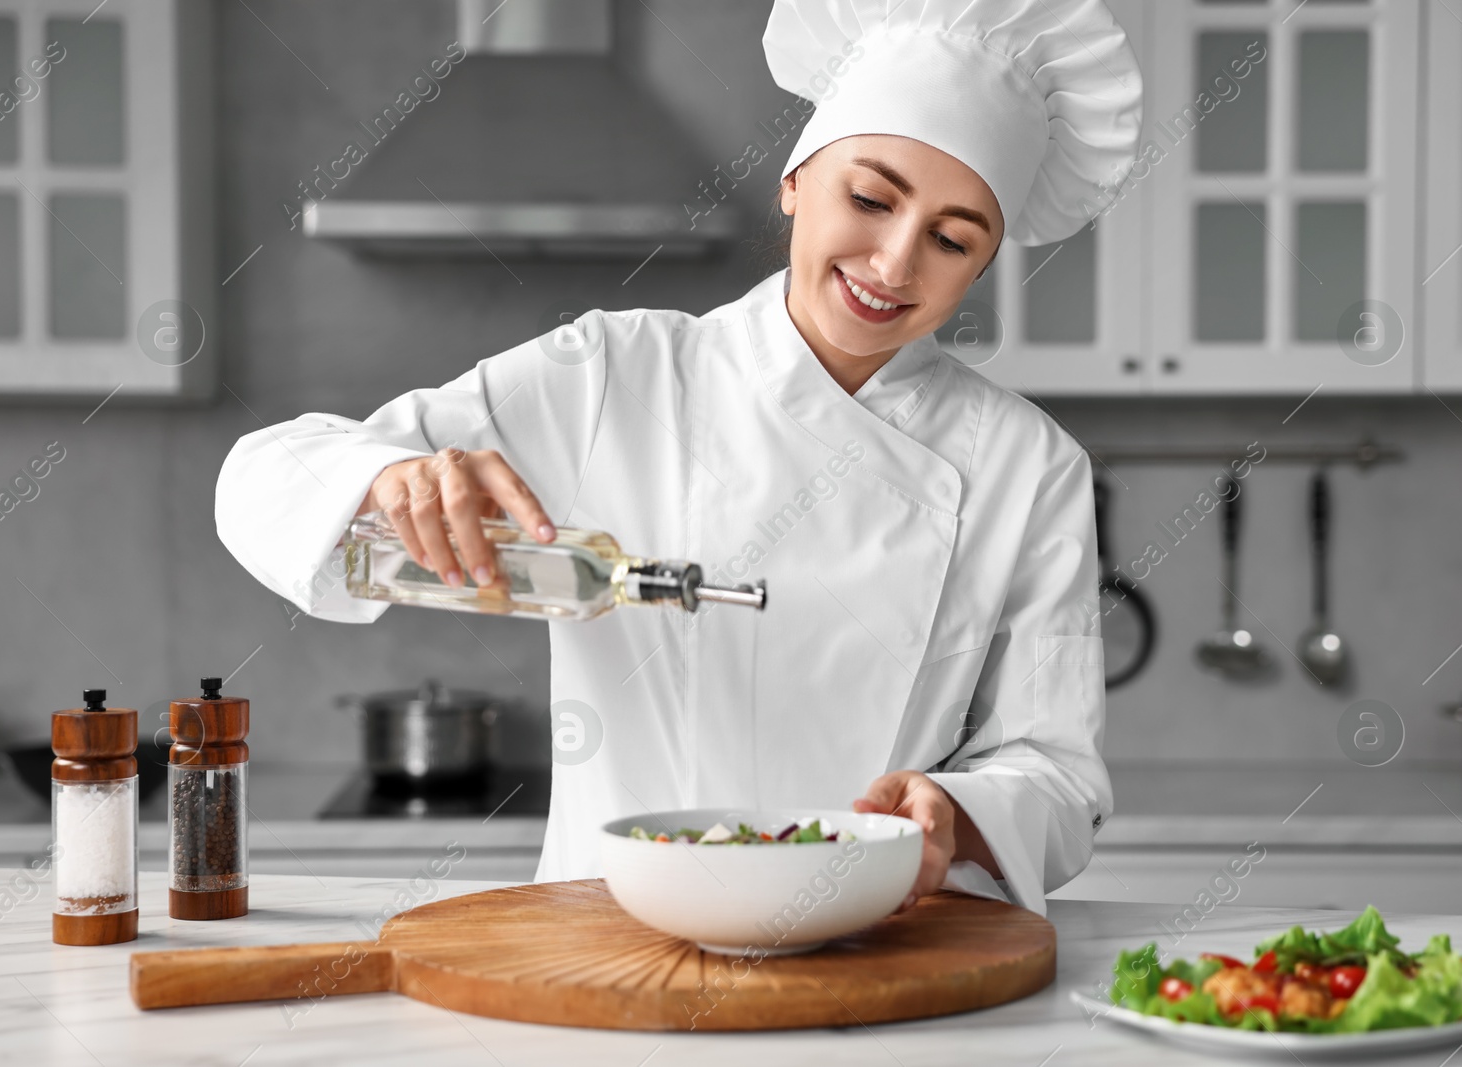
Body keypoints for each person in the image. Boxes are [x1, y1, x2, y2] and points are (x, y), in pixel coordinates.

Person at [215, 0, 1143, 913]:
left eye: (950, 239)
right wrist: (386, 477)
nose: (895, 265)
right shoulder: (617, 374)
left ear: (981, 266)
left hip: (871, 952)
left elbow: (1058, 777)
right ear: (794, 179)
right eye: (869, 198)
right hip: (605, 943)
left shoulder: (1028, 465)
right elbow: (262, 477)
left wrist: (960, 811)